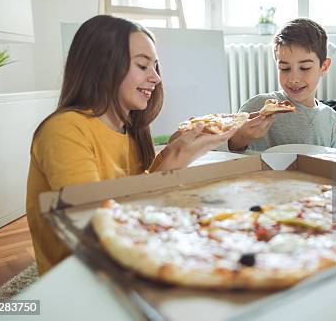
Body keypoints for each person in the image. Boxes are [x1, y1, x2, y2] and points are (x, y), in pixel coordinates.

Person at [27, 15, 235, 274]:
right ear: (102, 66)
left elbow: (133, 197)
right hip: (83, 271)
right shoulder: (64, 130)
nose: (156, 78)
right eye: (143, 65)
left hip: (125, 257)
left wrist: (174, 153)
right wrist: (174, 161)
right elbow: (98, 229)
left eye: (156, 67)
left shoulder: (131, 129)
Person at [228, 18, 336, 154]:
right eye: (285, 68)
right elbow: (227, 154)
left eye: (305, 68)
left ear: (324, 67)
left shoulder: (331, 118)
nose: (294, 79)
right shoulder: (257, 106)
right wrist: (240, 137)